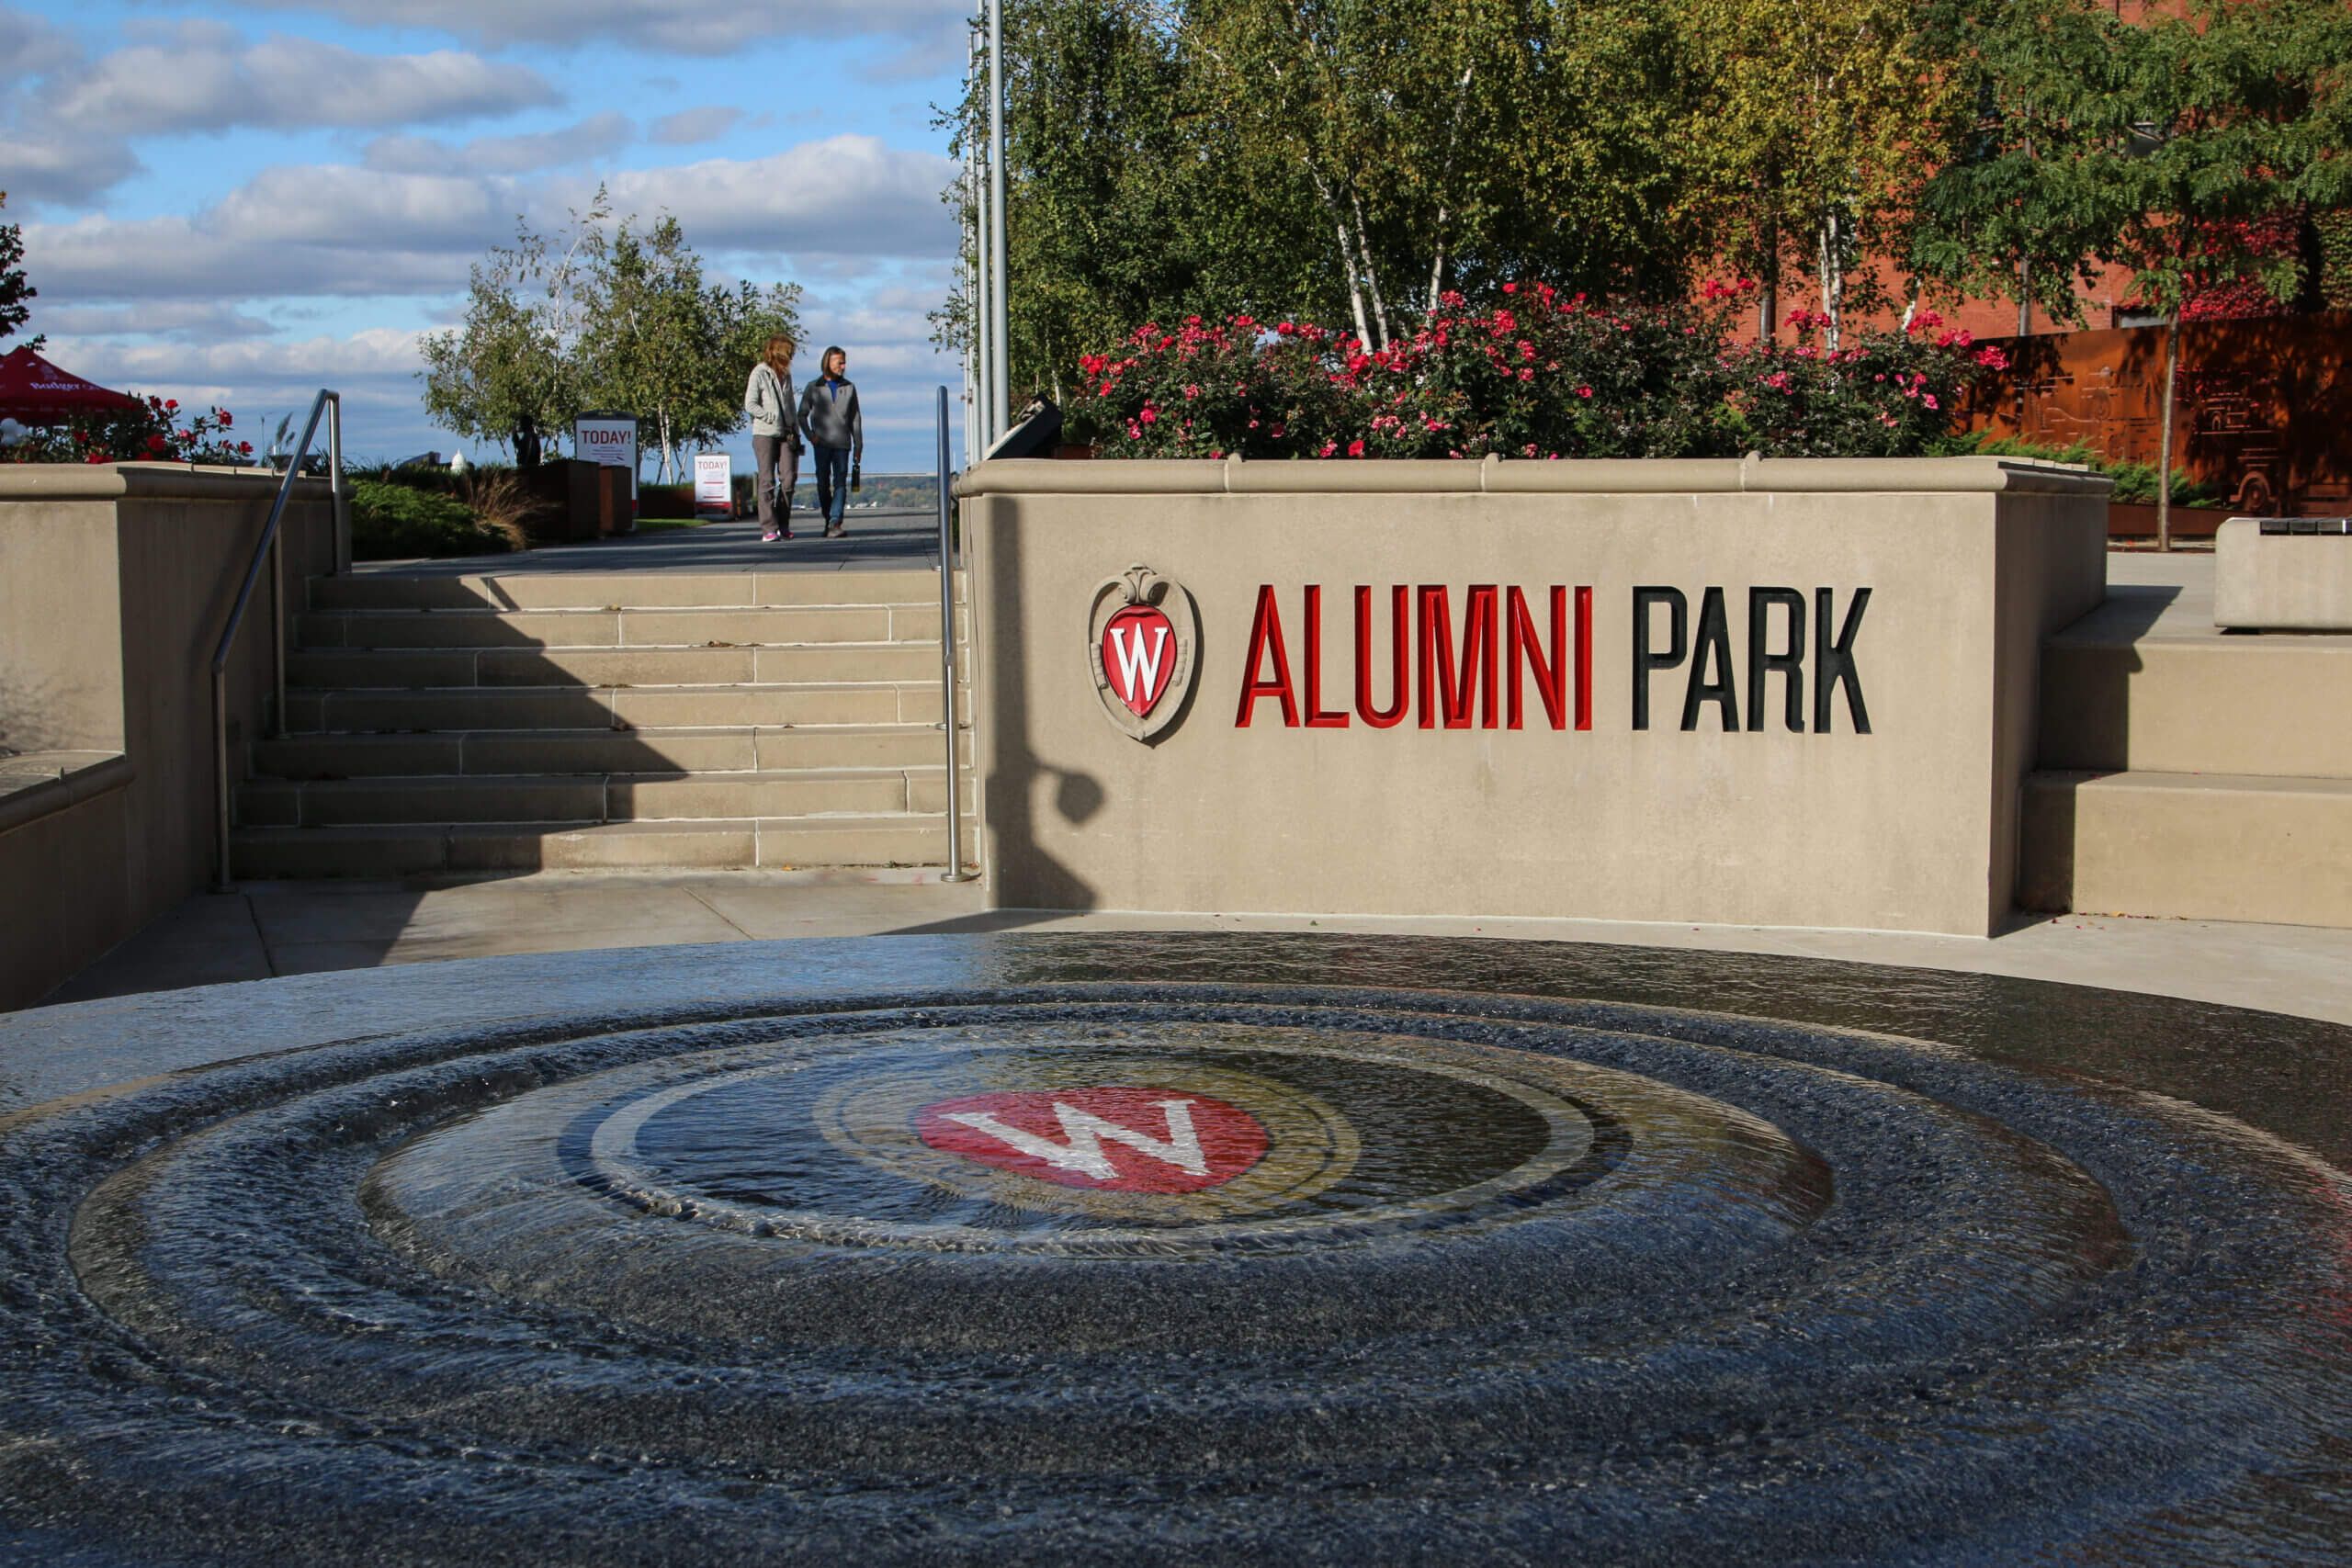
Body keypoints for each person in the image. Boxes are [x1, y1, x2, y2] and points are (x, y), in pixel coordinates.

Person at [796, 345, 863, 539]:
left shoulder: (849, 387)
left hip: (842, 443)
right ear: (828, 362)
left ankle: (836, 521)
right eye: (839, 362)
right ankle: (828, 518)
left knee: (840, 482)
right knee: (823, 483)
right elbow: (802, 415)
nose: (843, 366)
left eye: (844, 362)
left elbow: (855, 418)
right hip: (822, 443)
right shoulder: (813, 387)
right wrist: (810, 435)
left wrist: (858, 445)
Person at [743, 334, 801, 541]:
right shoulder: (759, 373)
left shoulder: (786, 375)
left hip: (786, 433)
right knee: (767, 480)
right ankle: (768, 527)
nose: (792, 357)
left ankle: (783, 523)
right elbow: (749, 404)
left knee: (788, 479)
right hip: (764, 433)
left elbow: (790, 403)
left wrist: (795, 427)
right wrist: (769, 415)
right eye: (789, 353)